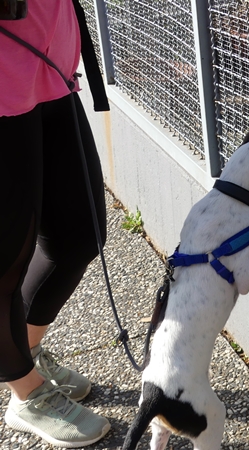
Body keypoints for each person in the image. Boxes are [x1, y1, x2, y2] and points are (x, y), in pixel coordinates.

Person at [0, 0, 112, 446]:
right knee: (5, 262)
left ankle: (25, 350)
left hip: (51, 69)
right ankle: (25, 392)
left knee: (78, 236)